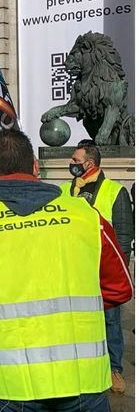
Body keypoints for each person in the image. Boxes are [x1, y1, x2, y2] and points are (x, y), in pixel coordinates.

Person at [0, 129, 132, 410]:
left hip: (7, 385)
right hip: (83, 381)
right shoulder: (86, 216)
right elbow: (121, 287)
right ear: (35, 165)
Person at [63, 141, 134, 394]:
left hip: (103, 269)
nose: (70, 163)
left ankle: (114, 368)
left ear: (89, 164)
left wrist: (118, 272)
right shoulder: (64, 190)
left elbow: (124, 236)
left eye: (74, 160)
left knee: (111, 321)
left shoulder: (115, 191)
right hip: (73, 269)